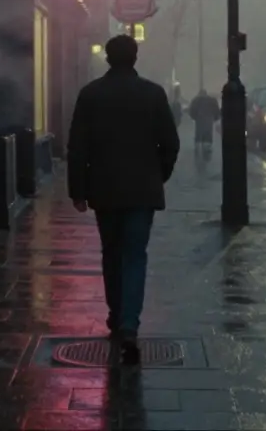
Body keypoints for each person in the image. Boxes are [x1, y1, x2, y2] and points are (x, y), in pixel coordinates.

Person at [67, 34, 181, 364]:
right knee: (134, 255)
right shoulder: (153, 94)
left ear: (107, 58)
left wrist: (78, 191)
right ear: (135, 58)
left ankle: (116, 315)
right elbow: (170, 143)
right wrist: (158, 174)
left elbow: (77, 148)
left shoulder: (90, 95)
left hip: (104, 189)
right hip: (142, 190)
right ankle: (129, 323)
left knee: (111, 252)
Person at [188, 89, 220, 153]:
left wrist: (194, 118)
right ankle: (207, 149)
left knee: (199, 134)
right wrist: (215, 118)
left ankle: (198, 147)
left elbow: (191, 110)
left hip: (199, 119)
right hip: (209, 119)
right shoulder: (212, 100)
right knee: (208, 134)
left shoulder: (196, 100)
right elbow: (217, 110)